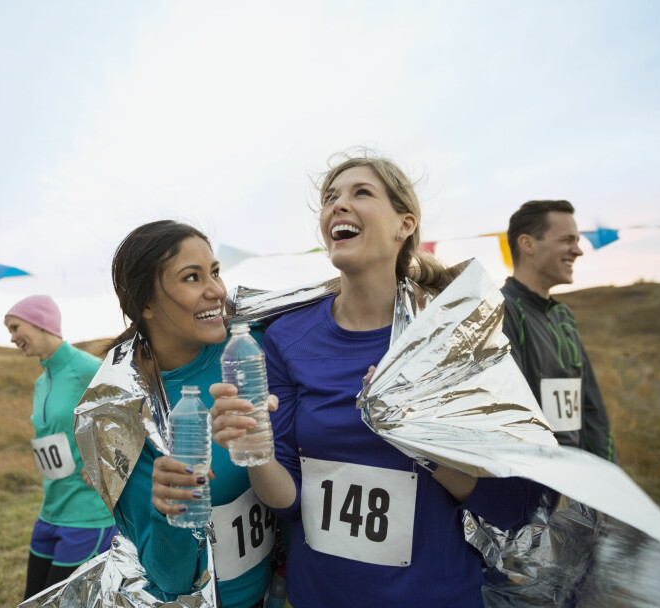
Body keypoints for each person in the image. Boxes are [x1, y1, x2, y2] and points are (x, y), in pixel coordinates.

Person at [211, 154, 536, 607]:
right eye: (330, 198)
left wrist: (413, 430)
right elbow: (285, 502)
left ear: (405, 224)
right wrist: (254, 446)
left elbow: (516, 503)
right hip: (318, 597)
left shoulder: (454, 333)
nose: (338, 206)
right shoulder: (287, 337)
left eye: (361, 193)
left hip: (435, 596)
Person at [106, 220, 271, 608]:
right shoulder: (125, 411)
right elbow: (169, 578)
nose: (216, 290)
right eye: (192, 278)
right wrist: (167, 513)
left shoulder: (252, 346)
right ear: (145, 304)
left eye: (215, 272)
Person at [3, 295, 118, 600]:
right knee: (31, 599)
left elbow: (131, 411)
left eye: (15, 328)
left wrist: (106, 459)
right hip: (51, 509)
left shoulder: (87, 367)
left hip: (88, 514)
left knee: (63, 603)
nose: (12, 337)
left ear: (40, 322)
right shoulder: (42, 381)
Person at [501, 200, 616, 461]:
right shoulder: (500, 311)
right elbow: (510, 419)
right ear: (527, 244)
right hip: (536, 485)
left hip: (580, 480)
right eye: (567, 240)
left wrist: (608, 477)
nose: (578, 251)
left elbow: (591, 408)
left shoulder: (564, 317)